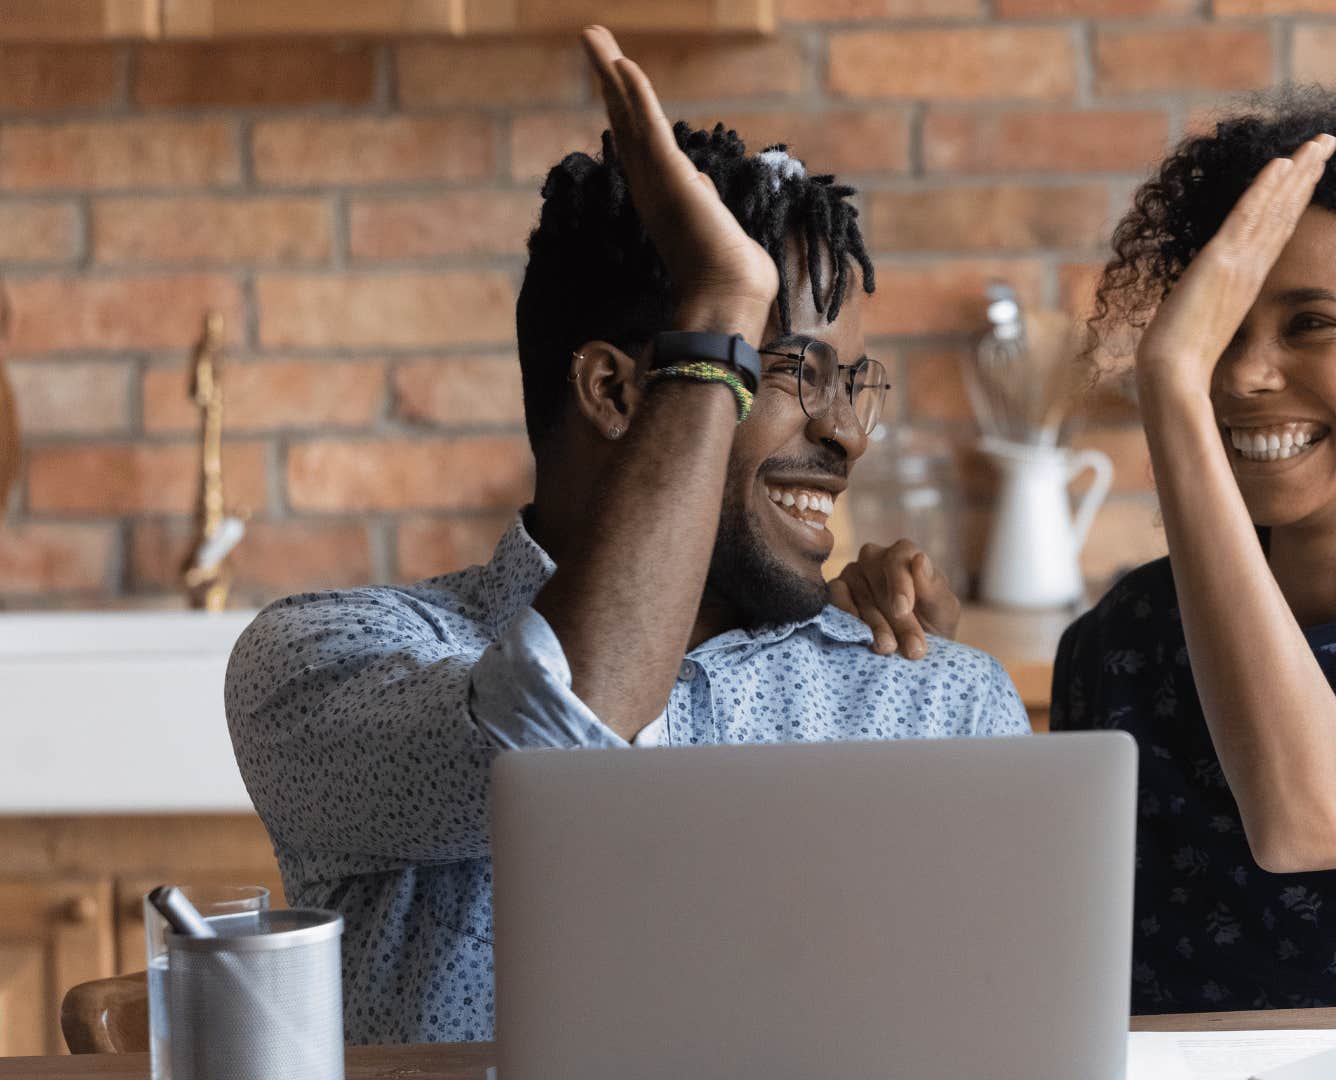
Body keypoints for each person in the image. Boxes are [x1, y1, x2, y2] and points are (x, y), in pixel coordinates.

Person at [226, 27, 1027, 1046]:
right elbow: (566, 731)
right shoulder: (328, 663)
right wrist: (719, 312)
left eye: (850, 381)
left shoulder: (935, 701)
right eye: (788, 371)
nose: (845, 433)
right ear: (616, 390)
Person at [835, 89, 1336, 1011]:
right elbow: (1023, 958)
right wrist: (921, 676)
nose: (1241, 375)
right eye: (1221, 329)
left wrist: (1172, 387)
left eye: (1313, 323)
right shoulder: (1125, 639)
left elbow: (1315, 817)